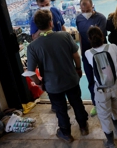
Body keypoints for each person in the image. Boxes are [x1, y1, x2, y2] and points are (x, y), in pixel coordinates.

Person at [24, 9, 89, 143]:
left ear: (37, 26)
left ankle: (66, 133)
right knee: (77, 103)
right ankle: (83, 126)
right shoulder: (64, 36)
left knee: (60, 109)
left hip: (52, 85)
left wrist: (39, 83)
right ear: (51, 23)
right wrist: (78, 69)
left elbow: (30, 73)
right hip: (71, 79)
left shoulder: (33, 47)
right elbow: (76, 56)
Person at [76, 0, 107, 117]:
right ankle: (96, 104)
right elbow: (81, 37)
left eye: (88, 10)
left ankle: (106, 102)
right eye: (83, 11)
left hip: (100, 56)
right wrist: (83, 54)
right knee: (91, 81)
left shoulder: (101, 18)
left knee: (103, 79)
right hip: (86, 56)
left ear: (92, 6)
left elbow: (102, 38)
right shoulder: (79, 19)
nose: (86, 13)